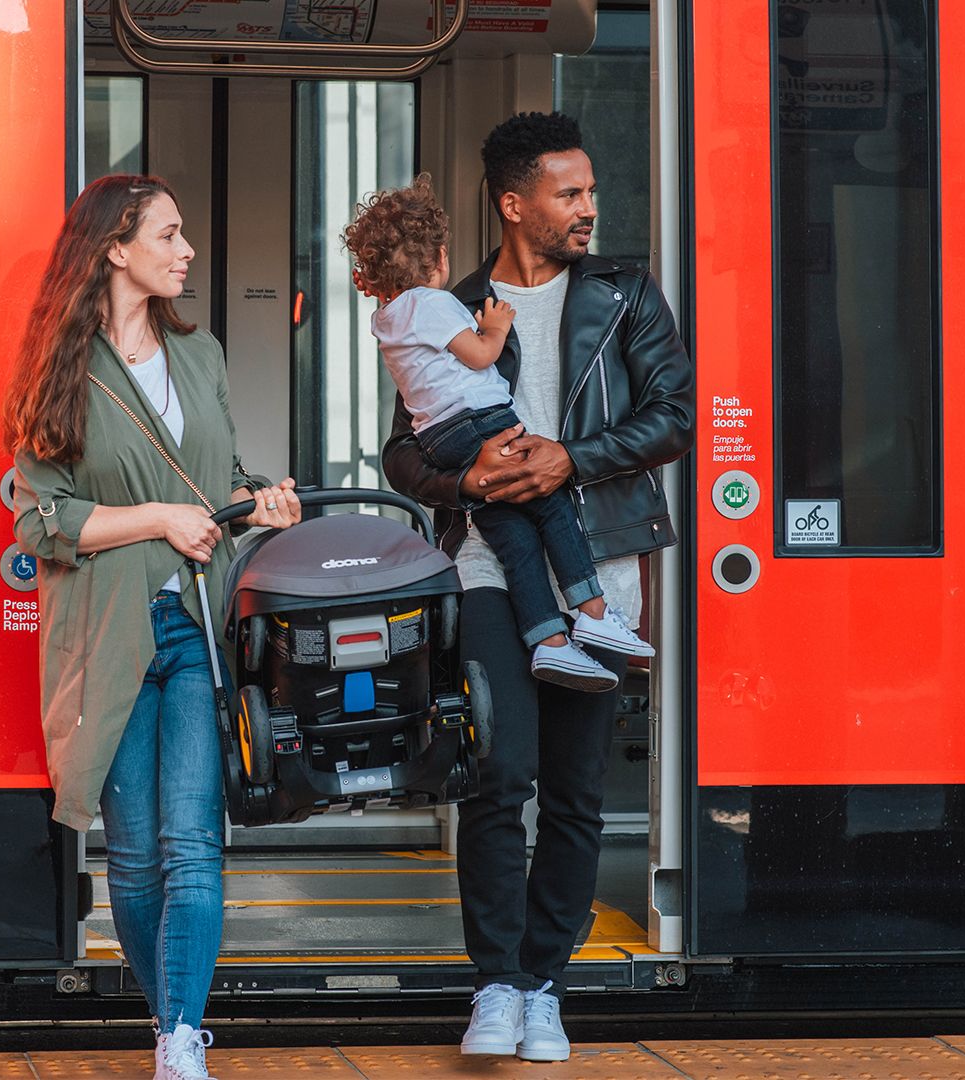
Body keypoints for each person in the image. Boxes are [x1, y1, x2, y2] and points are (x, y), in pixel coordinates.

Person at [382, 113, 694, 1061]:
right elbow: (403, 449)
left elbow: (672, 414)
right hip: (486, 565)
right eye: (571, 194)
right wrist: (466, 481)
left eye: (591, 192)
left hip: (599, 560)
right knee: (495, 778)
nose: (590, 209)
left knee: (572, 793)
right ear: (515, 204)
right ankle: (496, 987)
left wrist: (570, 460)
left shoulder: (627, 294)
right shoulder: (450, 302)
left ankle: (545, 985)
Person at [3, 175, 301, 1080]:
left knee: (192, 846)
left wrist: (260, 504)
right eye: (169, 235)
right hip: (111, 633)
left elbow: (216, 484)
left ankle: (180, 1035)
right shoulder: (62, 366)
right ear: (114, 249)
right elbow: (41, 520)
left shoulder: (201, 354)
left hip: (197, 631)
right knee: (132, 861)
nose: (187, 251)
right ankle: (166, 1015)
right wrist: (161, 520)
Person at [343, 175, 654, 694]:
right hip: (480, 421)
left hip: (442, 440)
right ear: (439, 258)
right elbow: (481, 356)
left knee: (513, 538)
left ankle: (550, 644)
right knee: (551, 504)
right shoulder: (436, 303)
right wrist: (497, 326)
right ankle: (595, 613)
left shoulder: (387, 318)